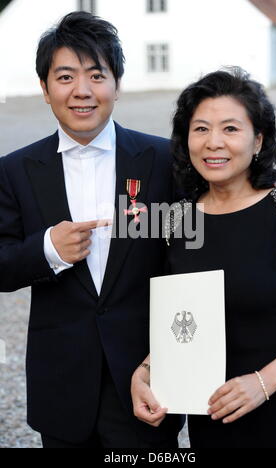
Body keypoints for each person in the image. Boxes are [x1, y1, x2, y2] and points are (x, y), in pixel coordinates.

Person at [0, 11, 183, 448]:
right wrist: (48, 249)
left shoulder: (165, 160)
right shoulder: (15, 170)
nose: (82, 91)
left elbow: (195, 253)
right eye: (65, 77)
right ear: (44, 89)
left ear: (117, 84)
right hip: (62, 384)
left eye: (96, 75)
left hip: (147, 378)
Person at [131, 67, 276, 448]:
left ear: (258, 141)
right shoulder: (176, 221)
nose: (213, 142)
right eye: (201, 129)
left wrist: (264, 381)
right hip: (211, 419)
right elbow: (179, 317)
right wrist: (145, 371)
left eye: (230, 129)